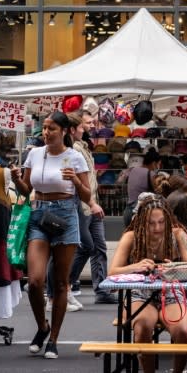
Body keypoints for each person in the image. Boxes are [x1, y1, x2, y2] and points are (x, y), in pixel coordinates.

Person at [10, 111, 91, 360]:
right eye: (44, 128)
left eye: (52, 128)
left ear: (64, 131)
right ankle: (42, 326)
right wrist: (16, 179)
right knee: (34, 281)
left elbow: (87, 197)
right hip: (39, 214)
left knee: (60, 283)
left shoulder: (75, 157)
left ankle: (53, 339)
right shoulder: (34, 154)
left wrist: (76, 181)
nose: (46, 133)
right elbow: (26, 190)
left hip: (66, 215)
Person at [109, 193, 187, 373]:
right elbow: (112, 271)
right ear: (142, 221)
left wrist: (174, 267)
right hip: (139, 294)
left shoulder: (178, 234)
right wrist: (136, 266)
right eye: (151, 223)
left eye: (161, 222)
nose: (157, 228)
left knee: (183, 332)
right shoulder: (131, 236)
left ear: (168, 219)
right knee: (142, 328)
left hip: (171, 291)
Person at [65, 112, 116, 305]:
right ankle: (65, 284)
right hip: (82, 206)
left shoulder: (83, 146)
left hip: (92, 204)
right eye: (84, 125)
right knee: (86, 247)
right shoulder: (74, 150)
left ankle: (102, 289)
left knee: (99, 247)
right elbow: (77, 181)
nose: (89, 127)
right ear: (72, 129)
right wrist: (90, 203)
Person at [121, 148, 160, 227]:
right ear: (153, 163)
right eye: (159, 164)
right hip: (140, 211)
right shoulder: (151, 174)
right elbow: (159, 192)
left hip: (128, 210)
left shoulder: (132, 170)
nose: (158, 167)